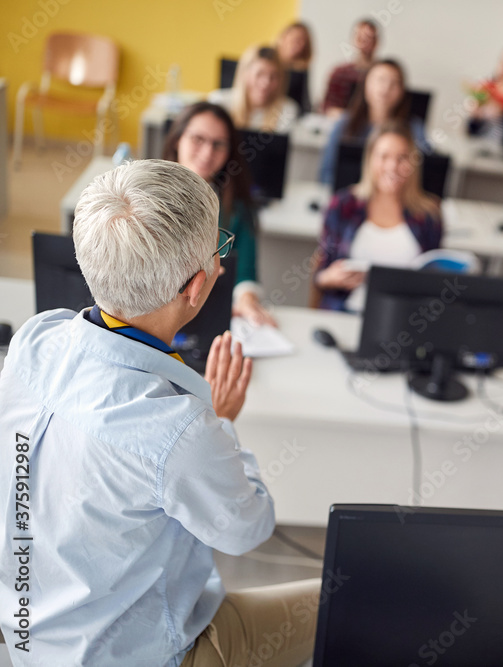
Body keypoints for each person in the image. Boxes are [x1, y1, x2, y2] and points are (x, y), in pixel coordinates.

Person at [0, 159, 319, 667]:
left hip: (28, 642)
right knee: (339, 602)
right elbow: (248, 529)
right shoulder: (179, 429)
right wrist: (222, 422)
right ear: (195, 287)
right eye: (218, 250)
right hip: (137, 657)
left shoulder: (35, 338)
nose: (220, 262)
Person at [163, 101, 276, 326]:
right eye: (198, 139)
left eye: (219, 144)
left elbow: (245, 272)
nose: (207, 153)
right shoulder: (145, 194)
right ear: (177, 139)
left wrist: (246, 299)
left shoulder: (238, 207)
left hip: (207, 314)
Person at [314, 122, 443, 311]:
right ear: (370, 160)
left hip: (405, 317)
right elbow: (319, 276)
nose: (392, 166)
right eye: (384, 157)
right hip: (347, 311)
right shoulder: (342, 206)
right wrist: (331, 277)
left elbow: (433, 279)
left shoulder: (428, 215)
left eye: (403, 158)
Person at [318, 59, 431, 189]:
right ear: (365, 85)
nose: (386, 88)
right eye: (380, 80)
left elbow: (424, 175)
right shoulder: (344, 124)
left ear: (402, 91)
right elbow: (327, 173)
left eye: (394, 83)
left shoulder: (414, 129)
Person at [208, 45, 298, 133]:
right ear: (245, 73)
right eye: (259, 74)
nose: (266, 83)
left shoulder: (287, 110)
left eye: (273, 76)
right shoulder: (219, 102)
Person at [321, 18, 379, 115]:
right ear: (354, 40)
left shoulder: (384, 74)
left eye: (369, 38)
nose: (365, 43)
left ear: (376, 42)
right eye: (360, 38)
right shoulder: (339, 73)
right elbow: (328, 108)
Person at [275, 21, 313, 113]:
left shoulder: (300, 71)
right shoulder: (267, 61)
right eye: (295, 39)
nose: (299, 44)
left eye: (303, 41)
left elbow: (303, 104)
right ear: (283, 38)